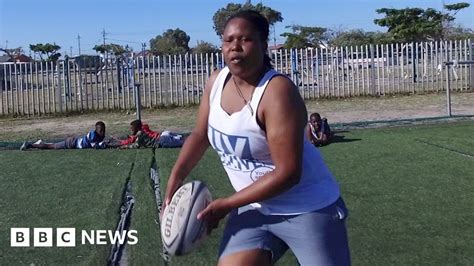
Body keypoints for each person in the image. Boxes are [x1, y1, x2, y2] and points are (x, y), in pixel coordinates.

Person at [163, 10, 350, 266]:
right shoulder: (215, 82)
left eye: (245, 39)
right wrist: (175, 179)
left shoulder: (277, 92)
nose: (235, 47)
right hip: (254, 207)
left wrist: (226, 205)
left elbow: (288, 173)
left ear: (263, 44)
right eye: (228, 40)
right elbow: (200, 134)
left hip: (307, 207)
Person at [20, 121, 107, 150]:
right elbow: (95, 146)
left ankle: (41, 142)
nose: (102, 132)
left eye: (103, 130)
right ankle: (29, 145)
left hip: (74, 141)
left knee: (52, 145)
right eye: (100, 130)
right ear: (96, 130)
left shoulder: (100, 135)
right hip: (71, 143)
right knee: (52, 146)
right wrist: (104, 144)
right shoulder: (92, 135)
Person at [114, 119, 187, 149]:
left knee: (184, 144)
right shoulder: (143, 130)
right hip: (164, 134)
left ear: (136, 128)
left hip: (162, 141)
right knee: (184, 140)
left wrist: (124, 146)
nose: (131, 129)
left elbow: (136, 145)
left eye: (132, 128)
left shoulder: (140, 134)